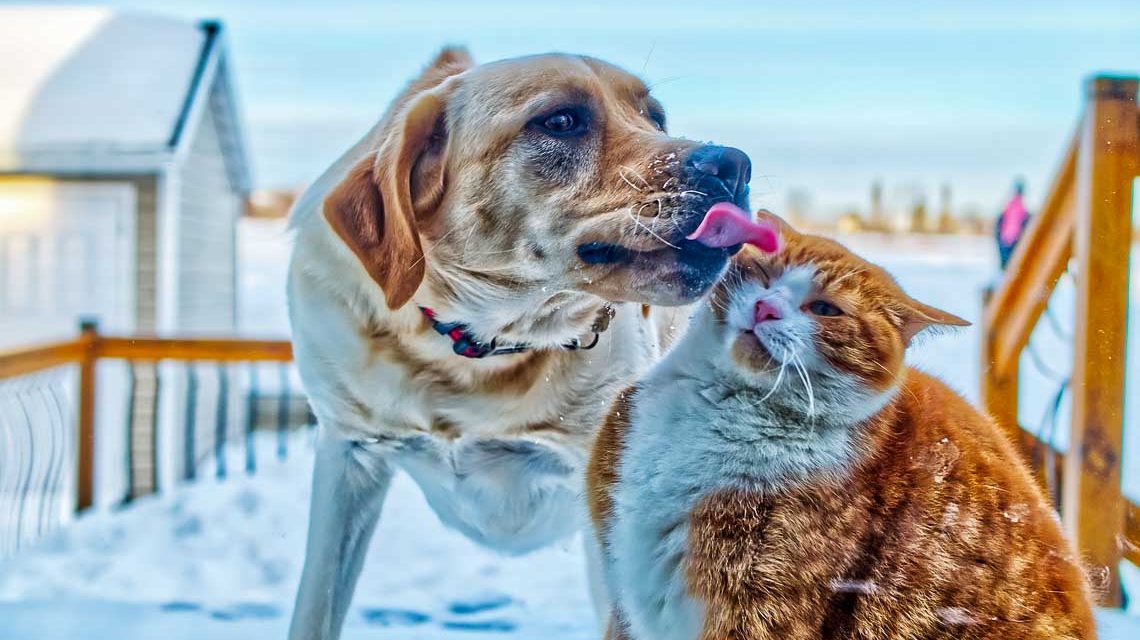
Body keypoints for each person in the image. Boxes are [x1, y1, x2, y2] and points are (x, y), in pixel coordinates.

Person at [996, 179, 1030, 269]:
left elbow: (1000, 221)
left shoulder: (1011, 204)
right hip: (1011, 241)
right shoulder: (1018, 205)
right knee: (1010, 265)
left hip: (1008, 240)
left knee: (1008, 265)